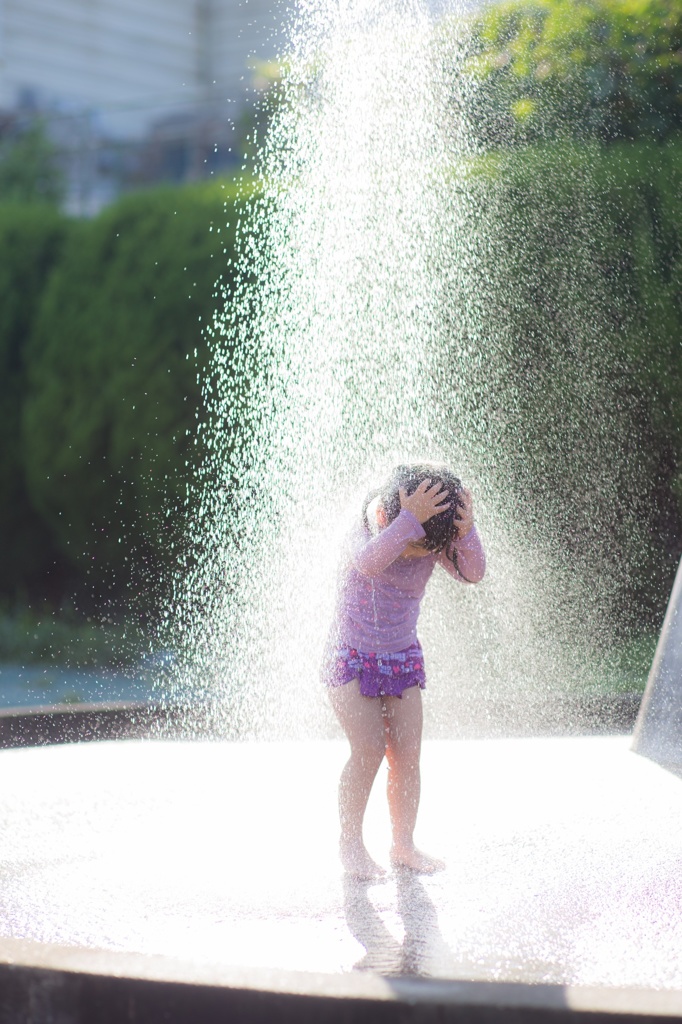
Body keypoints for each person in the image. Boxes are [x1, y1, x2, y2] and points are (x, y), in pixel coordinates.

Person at [323, 463, 486, 878]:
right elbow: (368, 563)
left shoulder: (429, 539)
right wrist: (408, 524)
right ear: (389, 518)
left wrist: (465, 532)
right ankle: (350, 844)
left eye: (424, 548)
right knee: (369, 749)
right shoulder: (372, 526)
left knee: (407, 755)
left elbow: (473, 573)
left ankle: (403, 845)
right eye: (412, 542)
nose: (415, 554)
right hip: (351, 657)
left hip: (401, 657)